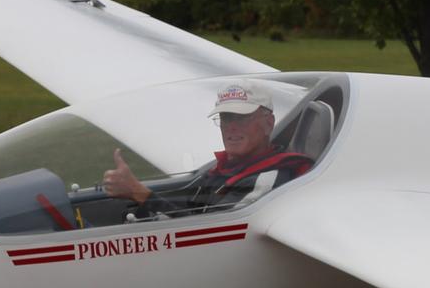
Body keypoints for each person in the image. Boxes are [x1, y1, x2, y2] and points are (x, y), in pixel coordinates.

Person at [102, 80, 313, 216]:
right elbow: (191, 207)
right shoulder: (230, 167)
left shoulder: (265, 180)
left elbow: (208, 234)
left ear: (268, 124)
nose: (231, 127)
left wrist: (139, 192)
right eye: (226, 118)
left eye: (242, 118)